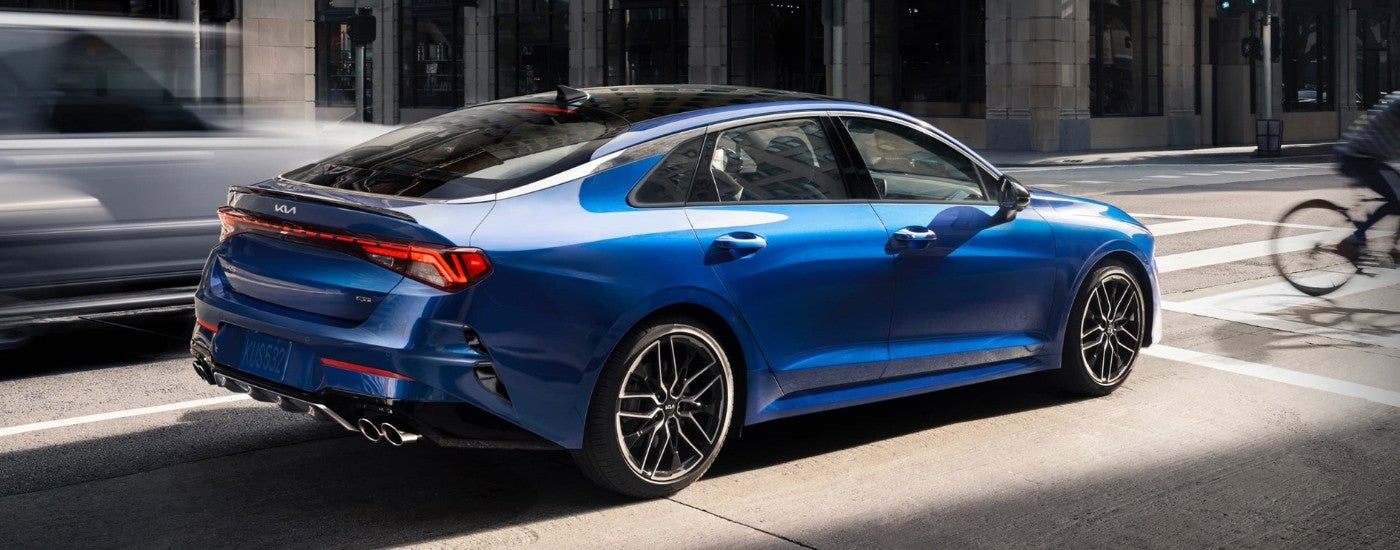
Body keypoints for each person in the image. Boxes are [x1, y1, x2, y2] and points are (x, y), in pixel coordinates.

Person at [1336, 90, 1400, 264]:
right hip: (1360, 157)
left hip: (1362, 156)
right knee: (1397, 198)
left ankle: (1393, 247)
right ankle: (1356, 237)